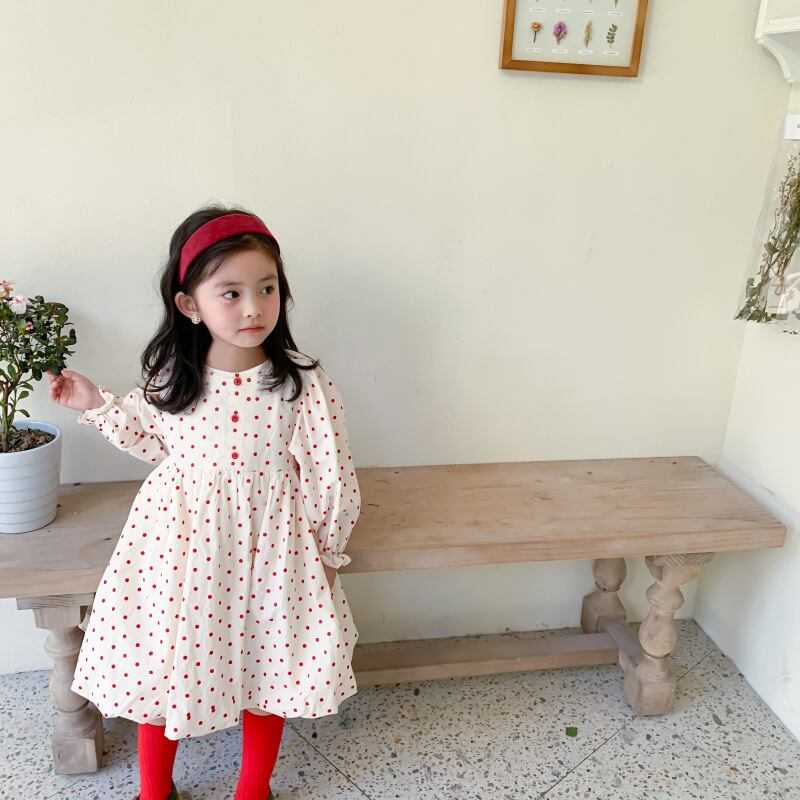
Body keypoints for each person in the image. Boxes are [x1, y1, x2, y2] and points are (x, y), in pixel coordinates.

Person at [47, 204, 362, 800]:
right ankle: (154, 790)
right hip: (178, 546)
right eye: (231, 293)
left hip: (273, 550)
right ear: (189, 303)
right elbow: (149, 439)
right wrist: (96, 404)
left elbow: (330, 471)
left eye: (267, 288)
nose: (253, 308)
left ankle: (253, 790)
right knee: (161, 664)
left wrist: (326, 547)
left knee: (269, 668)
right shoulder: (175, 374)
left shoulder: (300, 380)